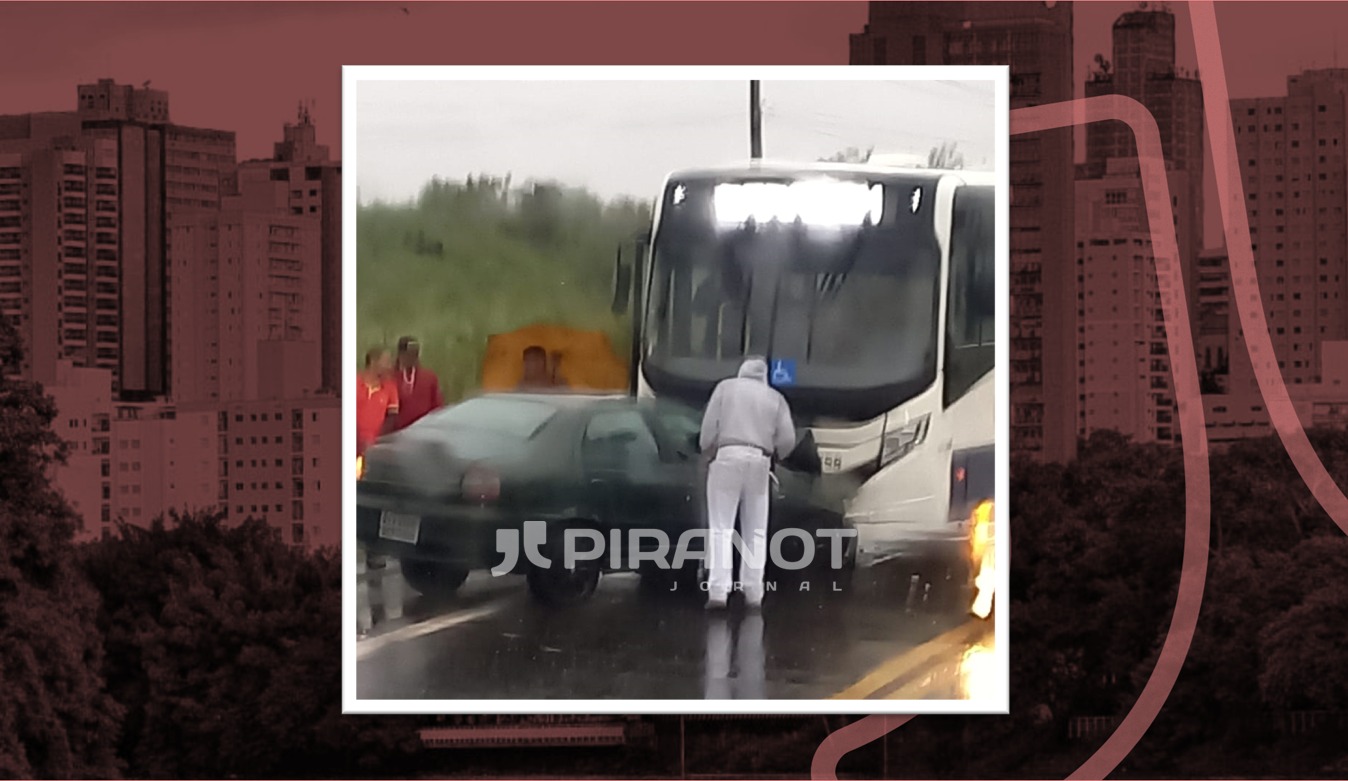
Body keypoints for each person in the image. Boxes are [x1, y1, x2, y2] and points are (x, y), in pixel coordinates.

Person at [698, 356, 796, 610]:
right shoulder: (775, 398)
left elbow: (708, 430)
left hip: (727, 456)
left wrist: (707, 450)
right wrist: (775, 455)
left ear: (741, 371)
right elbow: (788, 440)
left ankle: (719, 593)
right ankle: (753, 593)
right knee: (756, 531)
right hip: (760, 462)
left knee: (721, 528)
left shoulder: (725, 388)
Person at [391, 336, 444, 431]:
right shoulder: (391, 378)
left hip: (424, 431)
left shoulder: (429, 377)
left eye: (415, 354)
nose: (413, 358)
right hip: (398, 433)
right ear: (401, 355)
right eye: (409, 354)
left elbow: (437, 408)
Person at [356, 347, 399, 458]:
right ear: (373, 362)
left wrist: (378, 442)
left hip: (375, 448)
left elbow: (391, 418)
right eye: (387, 362)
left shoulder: (390, 388)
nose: (390, 366)